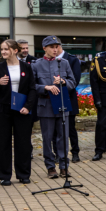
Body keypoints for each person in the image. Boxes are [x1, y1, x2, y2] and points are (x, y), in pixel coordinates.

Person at [0, 39, 38, 186]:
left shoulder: (26, 67)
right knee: (2, 142)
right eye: (1, 49)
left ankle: (23, 174)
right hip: (4, 109)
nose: (3, 52)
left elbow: (32, 89)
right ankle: (4, 175)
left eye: (6, 49)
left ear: (15, 50)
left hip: (21, 109)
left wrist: (28, 107)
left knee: (23, 142)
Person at [33, 36, 76, 179]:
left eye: (57, 46)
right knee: (47, 137)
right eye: (52, 47)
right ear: (44, 48)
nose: (55, 49)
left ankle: (64, 166)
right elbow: (31, 86)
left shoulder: (64, 63)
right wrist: (46, 87)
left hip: (62, 104)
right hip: (45, 105)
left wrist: (63, 81)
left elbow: (72, 83)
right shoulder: (36, 64)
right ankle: (50, 166)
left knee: (63, 136)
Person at [52, 41, 82, 162]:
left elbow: (75, 79)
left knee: (70, 128)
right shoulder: (50, 60)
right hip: (53, 97)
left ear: (58, 47)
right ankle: (57, 154)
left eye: (54, 47)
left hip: (68, 97)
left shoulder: (71, 59)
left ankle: (75, 152)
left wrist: (62, 82)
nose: (53, 50)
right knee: (55, 129)